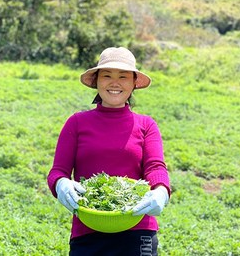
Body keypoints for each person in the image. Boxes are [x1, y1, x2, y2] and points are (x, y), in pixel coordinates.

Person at [47, 47, 171, 256]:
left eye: (123, 76)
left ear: (133, 83)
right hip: (87, 229)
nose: (115, 83)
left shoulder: (146, 124)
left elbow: (155, 167)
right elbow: (58, 171)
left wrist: (161, 190)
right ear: (96, 81)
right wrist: (61, 184)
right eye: (107, 75)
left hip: (138, 228)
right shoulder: (77, 123)